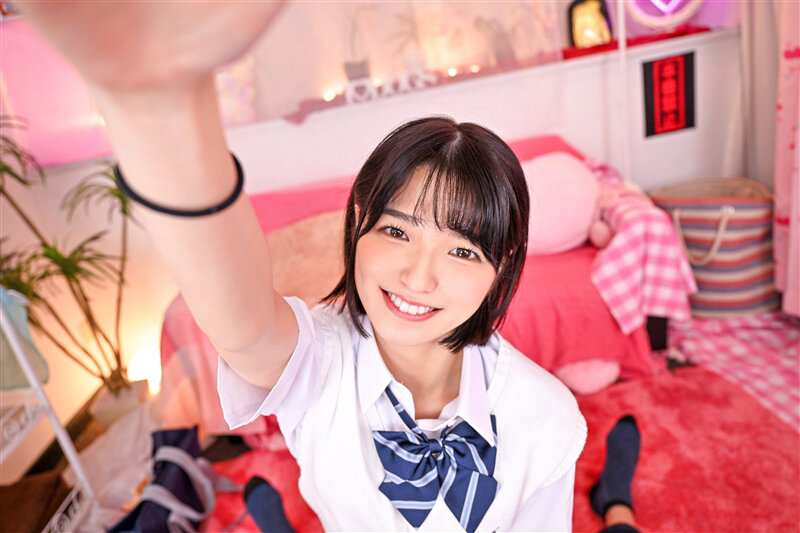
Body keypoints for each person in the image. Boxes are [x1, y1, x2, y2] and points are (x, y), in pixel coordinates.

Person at [20, 4, 586, 531]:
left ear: (502, 265)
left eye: (462, 251)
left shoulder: (549, 420)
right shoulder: (321, 360)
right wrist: (161, 102)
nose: (418, 278)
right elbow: (244, 326)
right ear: (358, 224)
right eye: (396, 231)